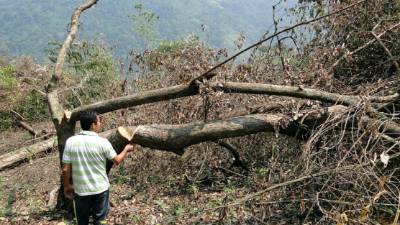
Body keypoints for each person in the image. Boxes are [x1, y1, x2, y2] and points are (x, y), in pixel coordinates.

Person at [62, 111, 135, 225]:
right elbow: (117, 160)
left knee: (82, 221)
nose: (100, 124)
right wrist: (126, 149)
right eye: (99, 121)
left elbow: (65, 169)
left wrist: (67, 186)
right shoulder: (102, 142)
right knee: (100, 221)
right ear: (93, 125)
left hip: (81, 191)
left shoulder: (70, 142)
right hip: (100, 190)